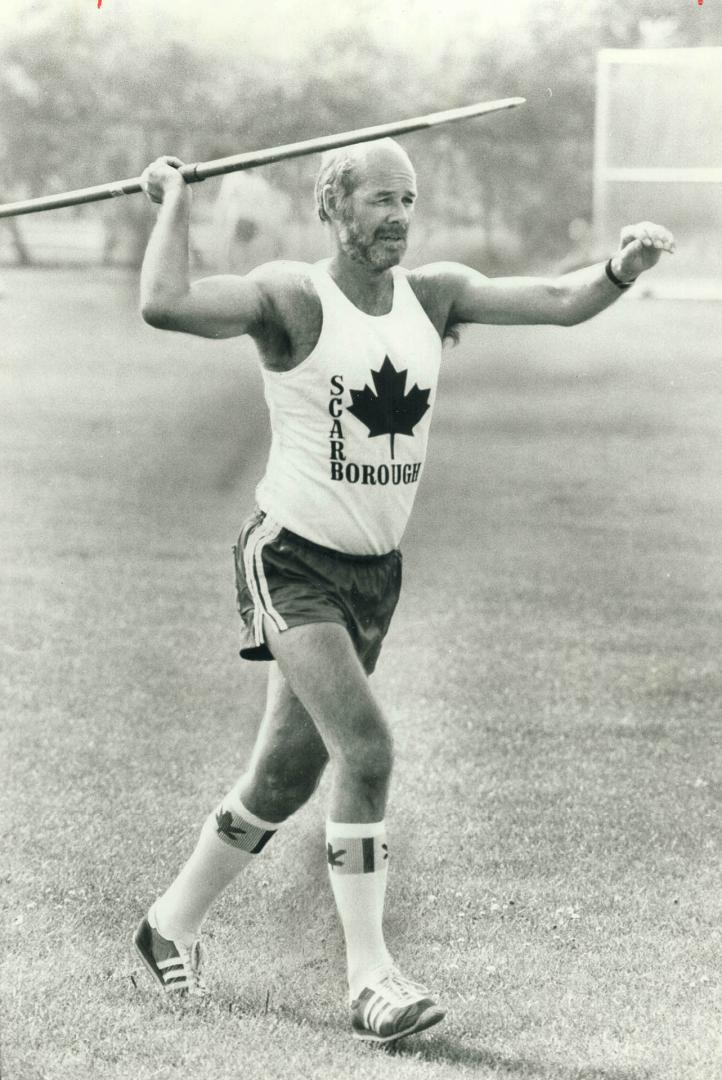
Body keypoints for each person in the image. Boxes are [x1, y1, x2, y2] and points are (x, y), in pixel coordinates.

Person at [133, 139, 675, 1045]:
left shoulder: (435, 295)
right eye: (379, 200)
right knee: (369, 750)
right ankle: (371, 978)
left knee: (285, 775)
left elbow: (558, 300)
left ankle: (167, 925)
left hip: (374, 576)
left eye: (408, 201)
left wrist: (621, 266)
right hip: (292, 560)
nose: (396, 217)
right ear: (333, 208)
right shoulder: (292, 297)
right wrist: (176, 199)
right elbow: (167, 302)